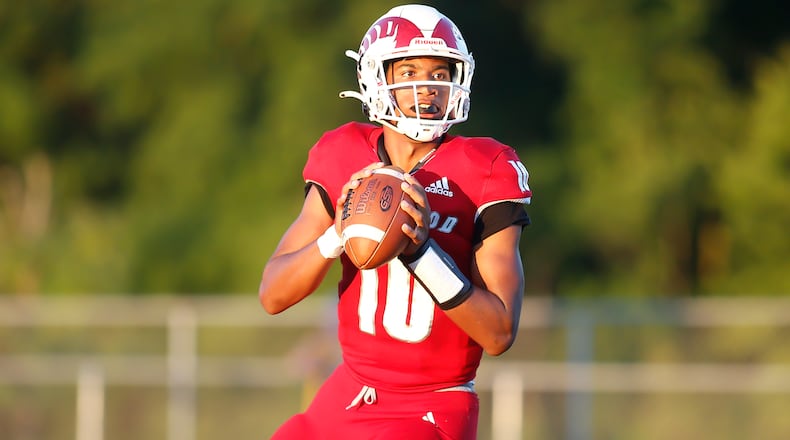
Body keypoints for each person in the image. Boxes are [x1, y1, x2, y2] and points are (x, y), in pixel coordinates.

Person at [258, 4, 532, 439]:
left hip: (433, 403)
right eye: (408, 72)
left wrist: (422, 251)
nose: (426, 88)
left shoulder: (486, 167)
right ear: (375, 78)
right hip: (350, 388)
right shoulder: (342, 153)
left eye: (440, 74)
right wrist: (338, 235)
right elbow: (273, 294)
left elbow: (499, 333)